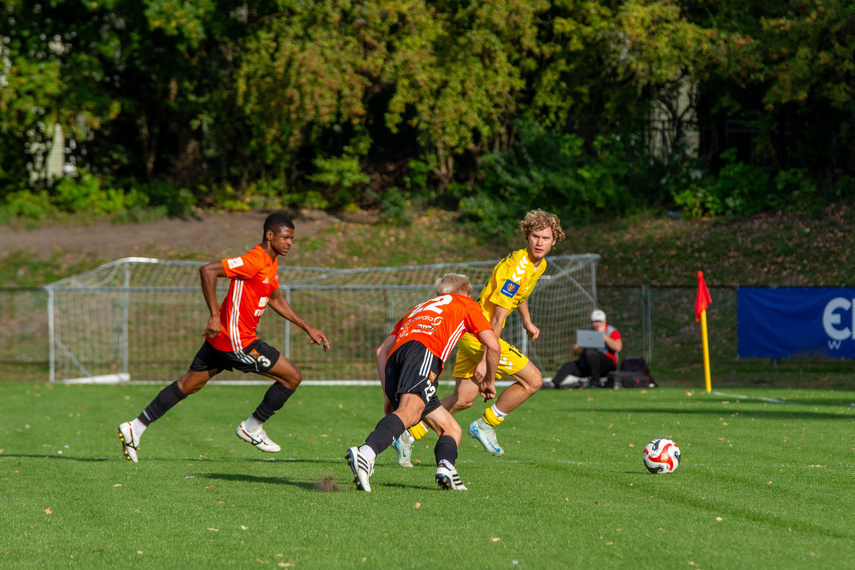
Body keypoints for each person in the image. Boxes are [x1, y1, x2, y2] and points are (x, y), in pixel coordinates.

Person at [117, 212, 330, 463]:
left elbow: (274, 298)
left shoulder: (271, 263)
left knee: (188, 385)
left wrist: (307, 327)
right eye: (286, 237)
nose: (290, 243)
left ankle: (136, 427)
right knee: (292, 377)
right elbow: (207, 271)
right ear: (269, 235)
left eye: (292, 239)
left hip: (222, 342)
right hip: (238, 341)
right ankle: (251, 427)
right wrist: (214, 315)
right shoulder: (254, 260)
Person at [392, 209, 564, 464]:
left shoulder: (537, 264)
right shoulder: (516, 269)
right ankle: (486, 424)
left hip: (471, 332)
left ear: (554, 240)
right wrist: (486, 360)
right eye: (536, 236)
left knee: (462, 399)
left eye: (546, 238)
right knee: (533, 380)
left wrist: (527, 321)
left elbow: (521, 295)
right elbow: (496, 320)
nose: (540, 242)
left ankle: (408, 436)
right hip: (480, 335)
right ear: (527, 236)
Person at [345, 273, 501, 492]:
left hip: (396, 358)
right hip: (423, 352)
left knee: (451, 429)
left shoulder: (419, 308)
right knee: (411, 412)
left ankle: (446, 468)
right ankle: (366, 452)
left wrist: (387, 394)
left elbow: (381, 351)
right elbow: (493, 346)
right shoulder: (465, 303)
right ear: (466, 292)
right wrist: (489, 381)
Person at [551, 309, 622, 389]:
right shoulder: (588, 332)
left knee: (590, 353)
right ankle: (553, 384)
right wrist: (582, 345)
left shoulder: (611, 331)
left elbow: (618, 347)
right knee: (569, 366)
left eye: (600, 321)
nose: (598, 324)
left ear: (604, 321)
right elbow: (575, 351)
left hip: (607, 364)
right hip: (589, 365)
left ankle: (595, 382)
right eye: (595, 322)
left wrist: (603, 336)